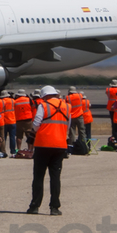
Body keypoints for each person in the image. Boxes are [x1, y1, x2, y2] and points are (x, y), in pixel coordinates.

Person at [26, 86, 70, 216]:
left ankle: (35, 206)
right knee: (55, 177)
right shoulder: (67, 106)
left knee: (39, 177)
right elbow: (68, 125)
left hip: (43, 144)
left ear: (44, 96)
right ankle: (54, 207)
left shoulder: (43, 105)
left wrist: (36, 132)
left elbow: (36, 124)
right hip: (60, 145)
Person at [1, 90, 16, 156]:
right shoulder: (13, 101)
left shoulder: (1, 102)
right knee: (12, 137)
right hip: (12, 121)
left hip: (4, 121)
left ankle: (3, 151)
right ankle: (13, 152)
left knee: (3, 137)